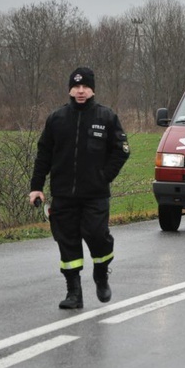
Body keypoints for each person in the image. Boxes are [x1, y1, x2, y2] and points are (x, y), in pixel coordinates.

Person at [29, 67, 131, 309]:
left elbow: (122, 151)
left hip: (95, 195)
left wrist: (104, 176)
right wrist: (36, 187)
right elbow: (43, 154)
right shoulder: (56, 119)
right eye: (76, 87)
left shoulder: (106, 117)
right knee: (67, 242)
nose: (81, 91)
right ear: (70, 90)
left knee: (97, 236)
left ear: (93, 89)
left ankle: (101, 274)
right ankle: (74, 293)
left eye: (85, 86)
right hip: (63, 195)